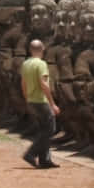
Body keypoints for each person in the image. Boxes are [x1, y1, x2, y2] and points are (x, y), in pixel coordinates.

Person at [21, 37, 61, 168]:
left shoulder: (25, 64)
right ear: (42, 49)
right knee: (50, 129)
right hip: (41, 101)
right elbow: (44, 84)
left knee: (43, 129)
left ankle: (44, 160)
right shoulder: (41, 64)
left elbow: (23, 83)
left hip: (31, 101)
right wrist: (52, 103)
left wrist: (27, 98)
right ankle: (31, 153)